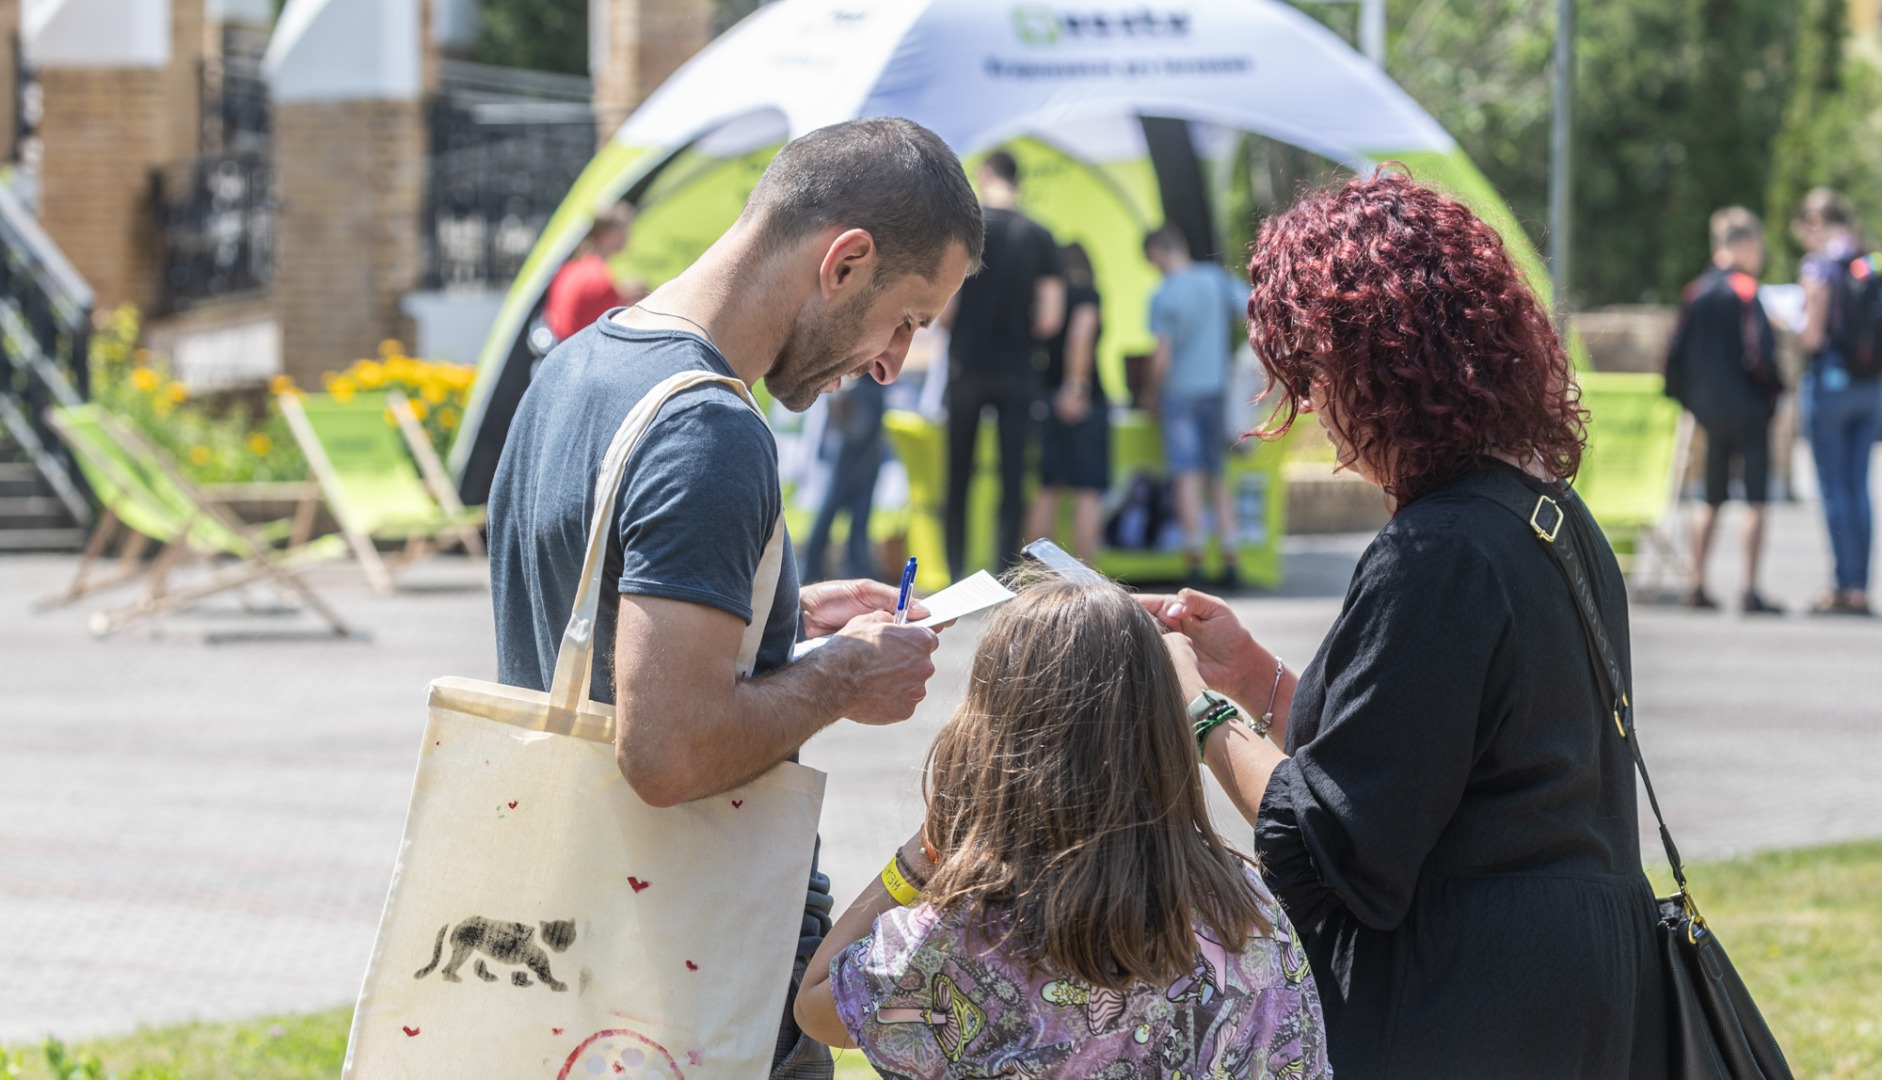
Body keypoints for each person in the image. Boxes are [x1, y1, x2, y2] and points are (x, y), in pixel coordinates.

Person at [486, 118, 983, 1079]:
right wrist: (842, 677)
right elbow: (665, 750)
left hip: (572, 951)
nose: (892, 362)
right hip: (695, 974)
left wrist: (780, 622)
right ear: (844, 263)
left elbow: (586, 625)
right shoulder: (711, 430)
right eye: (908, 318)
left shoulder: (579, 368)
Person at [1144, 172, 1669, 1076]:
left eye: (1315, 378)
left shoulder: (1436, 552)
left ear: (1383, 366)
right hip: (1584, 984)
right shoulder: (1544, 513)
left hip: (1472, 1000)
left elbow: (1326, 843)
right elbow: (1427, 756)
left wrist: (1193, 703)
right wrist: (1256, 679)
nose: (1314, 417)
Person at [793, 576, 1330, 1078]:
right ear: (1163, 735)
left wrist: (927, 849)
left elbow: (817, 1004)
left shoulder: (963, 937)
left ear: (991, 741)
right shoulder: (1247, 915)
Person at [942, 149, 1065, 579]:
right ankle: (1002, 576)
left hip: (966, 365)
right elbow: (1051, 317)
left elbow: (945, 310)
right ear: (1019, 181)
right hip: (1018, 367)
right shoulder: (1040, 235)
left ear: (986, 175)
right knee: (1013, 479)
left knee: (958, 473)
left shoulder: (965, 234)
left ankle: (955, 571)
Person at [1663, 206, 1786, 613]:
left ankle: (1697, 583)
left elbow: (1675, 357)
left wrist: (1689, 402)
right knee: (1755, 498)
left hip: (1708, 412)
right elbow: (1763, 356)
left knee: (1708, 497)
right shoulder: (1748, 293)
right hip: (1749, 410)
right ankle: (1749, 589)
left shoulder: (1694, 292)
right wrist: (1774, 394)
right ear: (1744, 244)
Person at [1143, 226, 1251, 590]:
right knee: (1217, 475)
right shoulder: (1216, 280)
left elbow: (1162, 356)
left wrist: (1149, 393)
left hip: (1180, 395)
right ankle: (1231, 557)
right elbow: (1250, 308)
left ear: (1156, 254)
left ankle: (1195, 560)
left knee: (1187, 476)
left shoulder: (1164, 295)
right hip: (1216, 389)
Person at [1794, 187, 1882, 616]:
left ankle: (1844, 587)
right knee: (1860, 486)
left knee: (1833, 488)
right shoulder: (1870, 260)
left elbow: (1812, 333)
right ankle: (1861, 587)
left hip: (1830, 384)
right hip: (1871, 387)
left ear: (1815, 222)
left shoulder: (1820, 266)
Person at [1024, 243, 1109, 564]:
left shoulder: (1045, 299)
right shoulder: (1086, 294)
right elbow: (1082, 333)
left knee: (1047, 490)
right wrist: (1076, 385)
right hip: (1083, 399)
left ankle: (1034, 577)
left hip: (1047, 396)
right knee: (1087, 492)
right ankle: (1084, 581)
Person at [802, 374, 887, 582]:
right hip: (855, 408)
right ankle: (811, 567)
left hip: (869, 396)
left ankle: (856, 571)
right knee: (833, 503)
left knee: (861, 509)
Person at [541, 202, 646, 341]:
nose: (628, 236)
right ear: (606, 234)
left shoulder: (574, 265)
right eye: (623, 230)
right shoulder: (598, 277)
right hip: (578, 348)